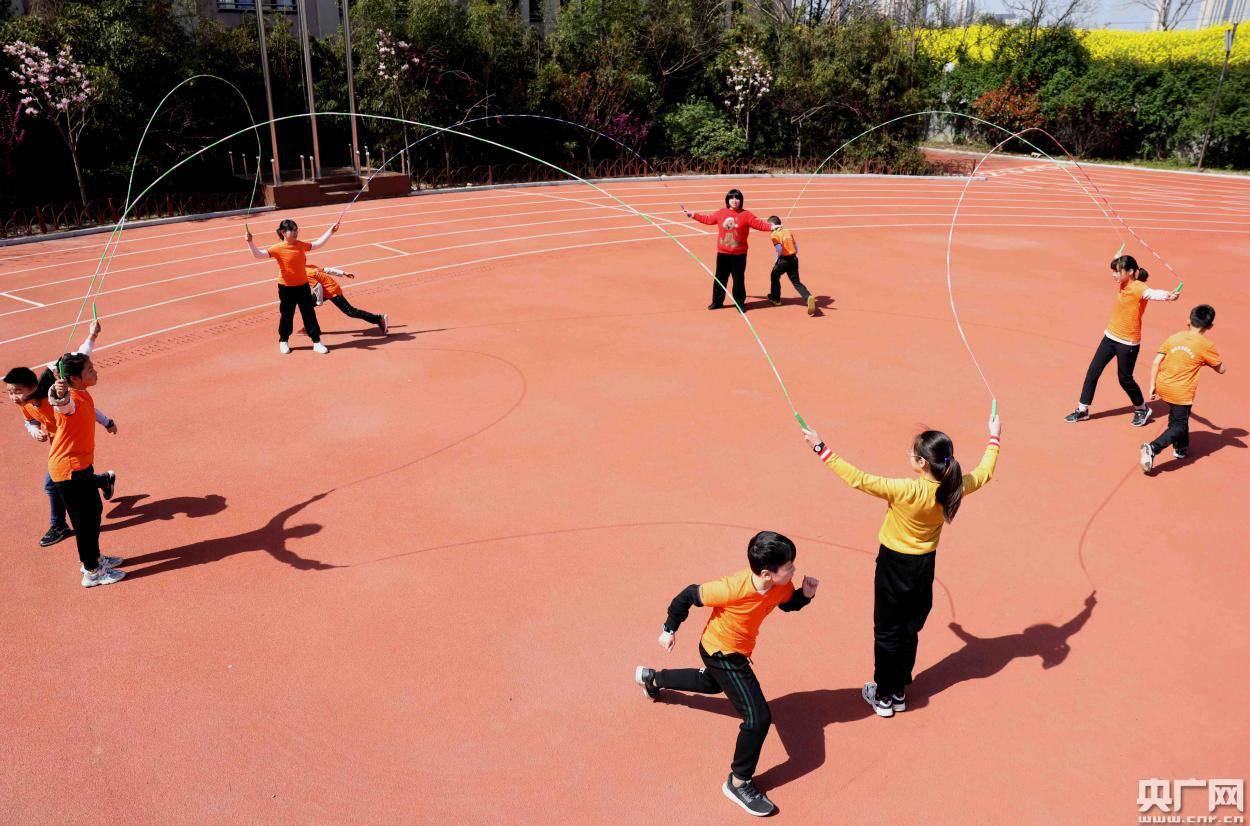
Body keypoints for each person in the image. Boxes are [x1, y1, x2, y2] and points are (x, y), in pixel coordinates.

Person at [801, 413, 1000, 717]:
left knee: (886, 630)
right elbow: (985, 472)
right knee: (909, 629)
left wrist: (820, 448)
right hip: (924, 567)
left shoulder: (906, 490)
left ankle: (882, 696)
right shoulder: (955, 486)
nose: (909, 455)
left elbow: (858, 479)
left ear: (922, 463)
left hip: (894, 565)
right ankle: (898, 690)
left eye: (912, 453)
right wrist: (994, 437)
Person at [635, 531, 818, 817]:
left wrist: (804, 596)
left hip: (738, 650)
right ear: (767, 573)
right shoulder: (732, 588)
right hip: (721, 651)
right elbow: (687, 595)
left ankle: (653, 678)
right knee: (758, 718)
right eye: (789, 566)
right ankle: (738, 782)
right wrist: (669, 629)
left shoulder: (782, 584)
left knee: (709, 683)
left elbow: (786, 603)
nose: (794, 569)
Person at [4, 320, 116, 548]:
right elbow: (30, 421)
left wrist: (92, 336)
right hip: (61, 450)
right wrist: (34, 430)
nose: (14, 397)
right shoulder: (25, 403)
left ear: (32, 387)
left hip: (70, 449)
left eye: (17, 392)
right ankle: (103, 480)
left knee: (56, 486)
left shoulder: (53, 395)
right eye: (10, 393)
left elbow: (77, 364)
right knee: (73, 485)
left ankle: (60, 526)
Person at [1065, 255, 1179, 426]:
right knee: (1093, 372)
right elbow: (1122, 264)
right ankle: (1082, 410)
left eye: (1117, 271)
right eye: (1114, 271)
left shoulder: (1140, 287)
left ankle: (1142, 408)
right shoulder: (1123, 282)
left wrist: (1169, 296)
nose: (1114, 275)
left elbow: (1152, 293)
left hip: (1128, 343)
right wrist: (1117, 258)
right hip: (1110, 337)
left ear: (1130, 272)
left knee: (1125, 379)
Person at [47, 352, 125, 587]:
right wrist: (58, 393)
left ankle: (95, 558)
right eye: (90, 370)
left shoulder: (82, 393)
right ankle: (91, 571)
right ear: (74, 378)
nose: (95, 371)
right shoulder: (70, 399)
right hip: (69, 470)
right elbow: (61, 404)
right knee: (84, 521)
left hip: (80, 466)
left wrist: (107, 422)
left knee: (93, 512)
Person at [1140, 304, 1226, 472]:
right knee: (1178, 425)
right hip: (1181, 392)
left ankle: (1180, 448)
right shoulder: (1207, 345)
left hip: (1163, 385)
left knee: (1179, 417)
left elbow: (1157, 361)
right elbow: (1221, 369)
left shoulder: (1174, 337)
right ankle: (1153, 448)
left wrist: (1152, 385)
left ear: (1188, 321)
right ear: (1209, 326)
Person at [245, 218, 339, 354]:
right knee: (287, 315)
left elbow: (317, 244)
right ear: (283, 232)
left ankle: (317, 342)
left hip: (303, 286)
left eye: (296, 229)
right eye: (292, 230)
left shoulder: (300, 245)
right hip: (286, 288)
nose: (295, 232)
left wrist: (330, 231)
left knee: (309, 314)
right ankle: (283, 341)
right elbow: (258, 255)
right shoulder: (277, 248)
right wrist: (250, 242)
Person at [682, 189, 772, 311]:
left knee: (738, 279)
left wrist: (773, 227)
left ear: (741, 200)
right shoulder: (721, 213)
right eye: (732, 198)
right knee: (720, 278)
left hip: (739, 255)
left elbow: (759, 224)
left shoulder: (746, 215)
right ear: (727, 200)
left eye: (737, 198)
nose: (734, 201)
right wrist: (693, 215)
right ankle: (717, 302)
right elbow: (708, 219)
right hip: (723, 253)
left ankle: (740, 303)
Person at [306, 265, 388, 334]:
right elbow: (327, 270)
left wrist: (319, 301)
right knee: (307, 305)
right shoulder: (308, 267)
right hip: (326, 289)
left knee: (351, 312)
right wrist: (344, 273)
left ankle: (379, 318)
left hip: (332, 291)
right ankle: (312, 328)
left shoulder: (305, 273)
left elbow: (318, 287)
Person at [765, 216, 817, 316]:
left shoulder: (774, 235)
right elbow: (796, 247)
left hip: (783, 260)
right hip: (793, 259)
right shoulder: (788, 231)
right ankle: (807, 296)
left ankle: (776, 299)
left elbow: (779, 248)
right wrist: (793, 255)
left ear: (772, 225)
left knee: (774, 276)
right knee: (796, 281)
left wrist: (777, 258)